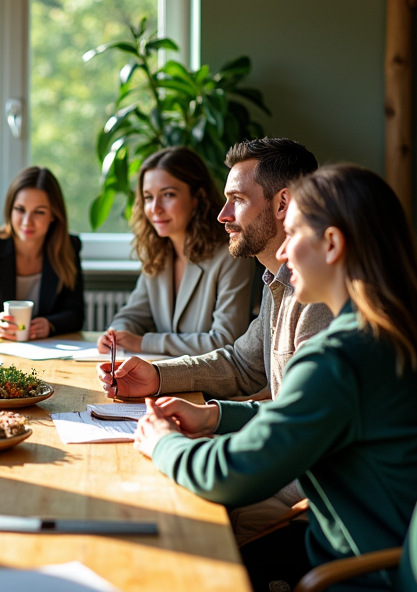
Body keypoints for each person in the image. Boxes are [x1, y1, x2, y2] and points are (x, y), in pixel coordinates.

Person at [133, 164, 417, 591]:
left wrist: (162, 443)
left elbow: (232, 474)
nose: (282, 253)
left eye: (294, 234)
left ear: (332, 244)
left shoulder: (340, 357)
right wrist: (216, 417)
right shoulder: (405, 331)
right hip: (380, 551)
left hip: (356, 574)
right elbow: (317, 418)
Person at [98, 137, 331, 543]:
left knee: (175, 526)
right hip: (290, 473)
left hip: (307, 496)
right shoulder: (278, 281)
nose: (222, 215)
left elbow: (292, 435)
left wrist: (170, 446)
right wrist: (158, 376)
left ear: (282, 205)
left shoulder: (318, 302)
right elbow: (243, 365)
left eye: (237, 199)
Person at [97, 146, 253, 357]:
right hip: (163, 376)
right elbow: (133, 315)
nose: (155, 208)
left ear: (197, 197)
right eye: (148, 197)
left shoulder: (231, 256)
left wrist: (144, 342)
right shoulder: (158, 252)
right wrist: (117, 334)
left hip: (210, 384)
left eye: (168, 194)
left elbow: (225, 340)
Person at [0, 166, 84, 340]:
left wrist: (50, 324)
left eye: (39, 212)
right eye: (20, 209)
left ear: (53, 215)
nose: (27, 222)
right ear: (10, 209)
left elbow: (76, 313)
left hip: (48, 350)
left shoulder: (69, 246)